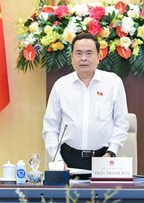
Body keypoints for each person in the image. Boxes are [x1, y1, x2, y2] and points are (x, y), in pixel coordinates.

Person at [42, 32, 130, 170]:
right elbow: (50, 127)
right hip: (67, 159)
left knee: (105, 193)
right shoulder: (61, 85)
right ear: (71, 57)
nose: (83, 58)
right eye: (78, 53)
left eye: (89, 53)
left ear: (99, 56)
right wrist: (58, 159)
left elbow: (121, 123)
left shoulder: (113, 82)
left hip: (103, 159)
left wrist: (110, 153)